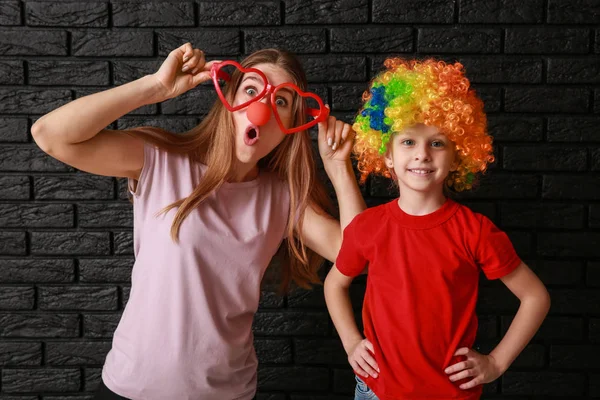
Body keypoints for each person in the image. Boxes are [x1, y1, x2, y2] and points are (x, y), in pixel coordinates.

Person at [31, 43, 365, 400]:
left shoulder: (281, 196)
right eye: (251, 90)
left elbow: (356, 254)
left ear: (290, 127)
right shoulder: (162, 161)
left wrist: (339, 170)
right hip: (130, 389)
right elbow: (50, 135)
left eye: (280, 102)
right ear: (228, 100)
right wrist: (155, 88)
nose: (260, 111)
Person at [324, 58, 551, 400]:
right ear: (386, 155)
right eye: (408, 142)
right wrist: (351, 342)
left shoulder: (475, 231)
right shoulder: (368, 227)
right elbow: (334, 284)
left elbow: (535, 297)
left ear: (457, 155)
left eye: (437, 143)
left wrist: (496, 363)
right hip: (376, 392)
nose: (422, 155)